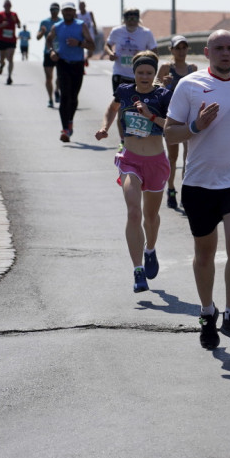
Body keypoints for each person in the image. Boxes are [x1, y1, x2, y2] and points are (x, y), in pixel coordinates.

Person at [164, 30, 230, 350]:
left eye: (229, 48)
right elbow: (169, 134)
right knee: (205, 254)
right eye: (218, 48)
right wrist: (196, 126)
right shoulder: (189, 85)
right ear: (207, 52)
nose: (225, 53)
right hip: (199, 183)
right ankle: (207, 313)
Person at [95, 51, 173, 293]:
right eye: (140, 72)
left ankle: (150, 249)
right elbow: (111, 108)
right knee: (133, 213)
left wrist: (151, 116)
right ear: (134, 73)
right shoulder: (125, 91)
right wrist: (105, 127)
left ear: (154, 73)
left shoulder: (163, 95)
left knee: (151, 217)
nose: (145, 76)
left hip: (156, 162)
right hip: (130, 160)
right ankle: (138, 270)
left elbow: (173, 126)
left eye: (149, 73)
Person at [157, 34, 197, 210]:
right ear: (171, 50)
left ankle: (186, 193)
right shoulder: (166, 67)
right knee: (172, 158)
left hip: (188, 118)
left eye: (184, 48)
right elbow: (154, 87)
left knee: (188, 158)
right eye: (177, 48)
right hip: (172, 118)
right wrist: (162, 84)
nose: (181, 51)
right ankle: (171, 188)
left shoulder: (193, 68)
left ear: (188, 49)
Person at [47, 2, 94, 142]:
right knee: (64, 96)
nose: (68, 13)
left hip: (78, 64)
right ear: (62, 12)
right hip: (63, 63)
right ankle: (65, 129)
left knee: (73, 97)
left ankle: (70, 121)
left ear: (74, 12)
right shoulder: (57, 26)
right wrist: (52, 52)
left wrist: (79, 43)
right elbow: (49, 40)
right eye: (66, 11)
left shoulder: (81, 25)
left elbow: (92, 45)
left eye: (70, 11)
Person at [36, 2, 62, 108]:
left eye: (56, 9)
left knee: (60, 76)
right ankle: (50, 99)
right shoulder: (45, 22)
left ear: (59, 11)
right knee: (48, 77)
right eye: (52, 10)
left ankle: (57, 90)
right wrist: (42, 32)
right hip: (48, 52)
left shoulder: (62, 22)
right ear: (50, 10)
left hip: (60, 52)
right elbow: (37, 37)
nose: (54, 12)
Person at [0, 0, 20, 85]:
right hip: (2, 40)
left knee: (10, 58)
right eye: (6, 5)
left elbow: (19, 25)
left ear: (11, 6)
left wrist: (15, 21)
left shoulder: (14, 14)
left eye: (9, 5)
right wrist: (2, 25)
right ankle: (1, 64)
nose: (7, 7)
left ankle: (9, 76)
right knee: (2, 58)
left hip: (11, 40)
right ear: (4, 6)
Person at [78, 0, 98, 65]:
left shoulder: (89, 13)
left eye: (82, 5)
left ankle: (86, 58)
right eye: (80, 6)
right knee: (80, 48)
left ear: (85, 6)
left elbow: (94, 21)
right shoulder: (77, 15)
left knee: (91, 52)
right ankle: (81, 62)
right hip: (81, 35)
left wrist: (95, 29)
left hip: (90, 34)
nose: (81, 7)